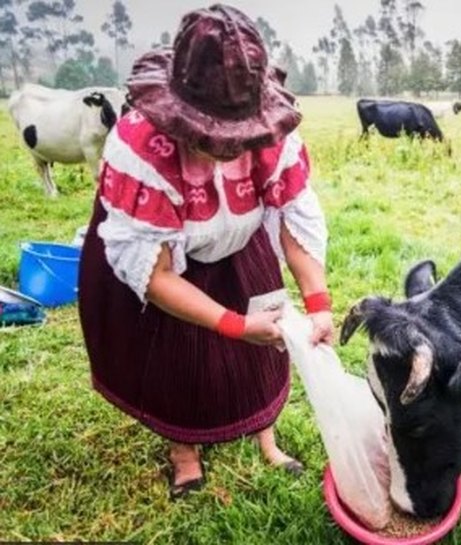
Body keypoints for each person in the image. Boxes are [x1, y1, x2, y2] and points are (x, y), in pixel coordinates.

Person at [78, 4, 332, 499]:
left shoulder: (272, 139)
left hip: (240, 244)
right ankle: (184, 452)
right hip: (171, 260)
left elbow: (294, 217)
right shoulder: (141, 149)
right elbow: (156, 275)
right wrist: (231, 324)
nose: (231, 149)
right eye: (216, 137)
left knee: (263, 350)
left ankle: (266, 437)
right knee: (178, 360)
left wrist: (318, 301)